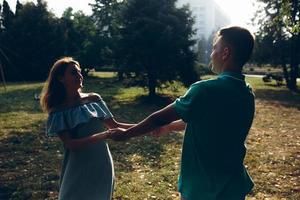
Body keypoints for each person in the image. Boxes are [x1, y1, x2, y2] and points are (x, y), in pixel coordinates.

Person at [110, 26, 255, 200]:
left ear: (225, 52)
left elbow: (158, 118)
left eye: (214, 47)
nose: (211, 54)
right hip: (233, 187)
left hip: (202, 189)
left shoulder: (205, 90)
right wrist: (169, 128)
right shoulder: (247, 93)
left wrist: (126, 134)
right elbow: (206, 120)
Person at [40, 57, 134, 200]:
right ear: (61, 78)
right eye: (73, 73)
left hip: (101, 162)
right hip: (77, 167)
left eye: (79, 72)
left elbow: (116, 126)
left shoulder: (94, 99)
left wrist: (149, 126)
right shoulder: (58, 111)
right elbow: (71, 145)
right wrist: (105, 135)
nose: (79, 76)